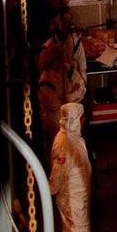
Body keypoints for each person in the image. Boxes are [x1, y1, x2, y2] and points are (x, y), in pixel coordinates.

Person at [48, 102, 104, 232]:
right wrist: (49, 191)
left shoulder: (71, 138)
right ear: (74, 120)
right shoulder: (65, 144)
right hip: (73, 200)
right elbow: (56, 178)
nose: (84, 120)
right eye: (81, 117)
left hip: (74, 197)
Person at [37, 11, 88, 152]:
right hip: (55, 121)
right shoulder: (46, 80)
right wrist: (71, 96)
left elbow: (81, 81)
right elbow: (56, 104)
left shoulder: (74, 45)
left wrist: (78, 91)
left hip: (74, 112)